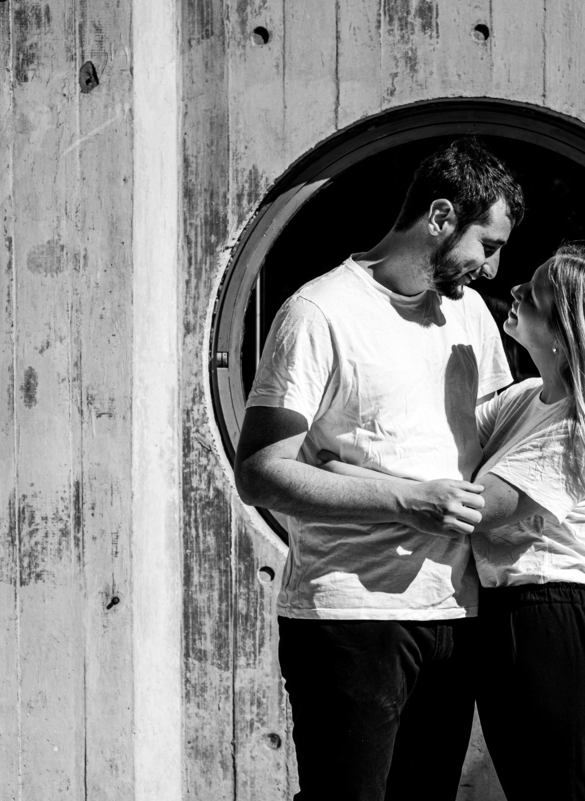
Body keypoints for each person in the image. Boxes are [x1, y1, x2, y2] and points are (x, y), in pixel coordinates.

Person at [233, 136, 525, 801]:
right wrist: (406, 501)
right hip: (349, 618)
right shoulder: (320, 311)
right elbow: (262, 472)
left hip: (454, 613)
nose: (492, 266)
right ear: (443, 217)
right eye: (488, 243)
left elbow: (496, 445)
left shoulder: (470, 315)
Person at [321, 243, 585, 801]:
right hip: (510, 626)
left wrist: (332, 471)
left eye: (536, 292)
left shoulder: (581, 429)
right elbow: (430, 450)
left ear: (568, 331)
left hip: (554, 629)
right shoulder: (525, 399)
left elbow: (467, 510)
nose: (516, 289)